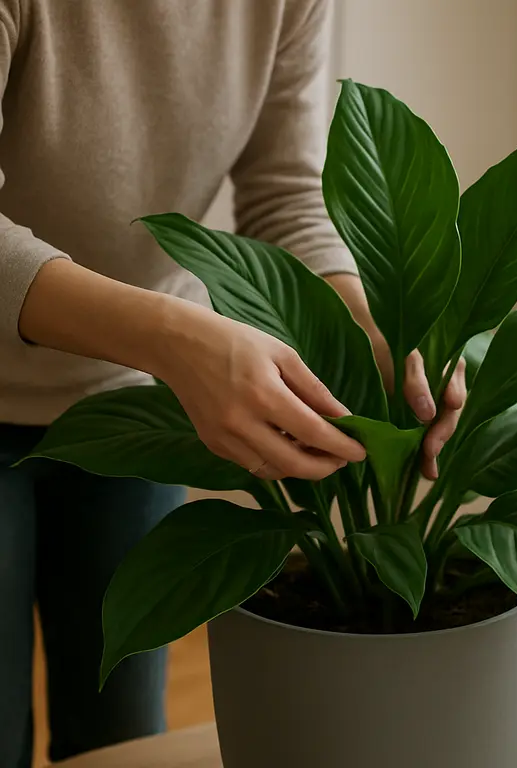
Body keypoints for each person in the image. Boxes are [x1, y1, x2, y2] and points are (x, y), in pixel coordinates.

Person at [0, 2, 466, 766]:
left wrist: (375, 335)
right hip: (151, 359)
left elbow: (284, 194)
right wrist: (177, 340)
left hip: (133, 392)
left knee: (123, 735)